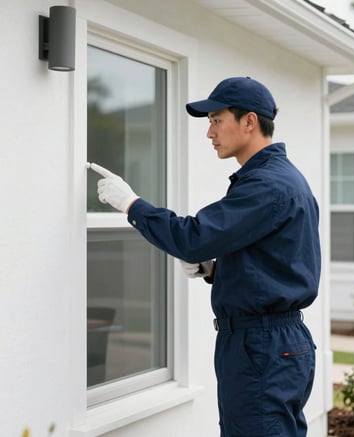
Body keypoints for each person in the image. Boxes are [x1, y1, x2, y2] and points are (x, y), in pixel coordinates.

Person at [90, 76, 321, 437]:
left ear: (249, 121)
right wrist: (214, 269)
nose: (209, 133)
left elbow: (193, 237)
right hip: (275, 343)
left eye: (216, 120)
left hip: (261, 346)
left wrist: (131, 204)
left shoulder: (267, 185)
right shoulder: (282, 179)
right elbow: (278, 259)